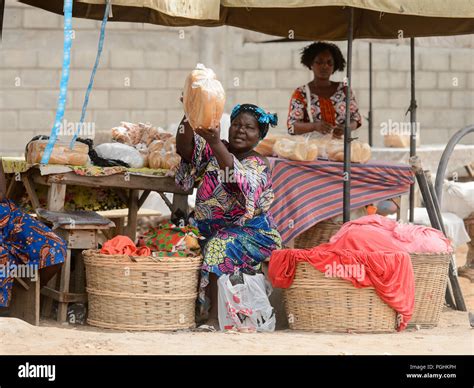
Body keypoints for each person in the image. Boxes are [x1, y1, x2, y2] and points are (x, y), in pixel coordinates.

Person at [175, 103, 282, 328]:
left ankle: (213, 318)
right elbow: (185, 149)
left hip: (252, 232)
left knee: (218, 245)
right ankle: (180, 310)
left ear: (259, 135)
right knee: (175, 241)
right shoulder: (215, 150)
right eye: (236, 124)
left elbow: (237, 183)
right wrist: (190, 112)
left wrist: (214, 142)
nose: (241, 130)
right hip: (208, 226)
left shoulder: (257, 163)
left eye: (249, 128)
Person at [0, 161, 65, 310]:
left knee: (55, 247)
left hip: (8, 215)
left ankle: (29, 298)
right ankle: (3, 309)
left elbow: (1, 194)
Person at [287, 41, 362, 139]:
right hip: (312, 151)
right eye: (319, 62)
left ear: (334, 66)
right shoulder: (301, 93)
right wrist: (314, 126)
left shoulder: (344, 90)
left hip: (339, 150)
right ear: (311, 64)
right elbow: (292, 126)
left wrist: (346, 128)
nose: (325, 66)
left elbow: (356, 118)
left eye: (329, 62)